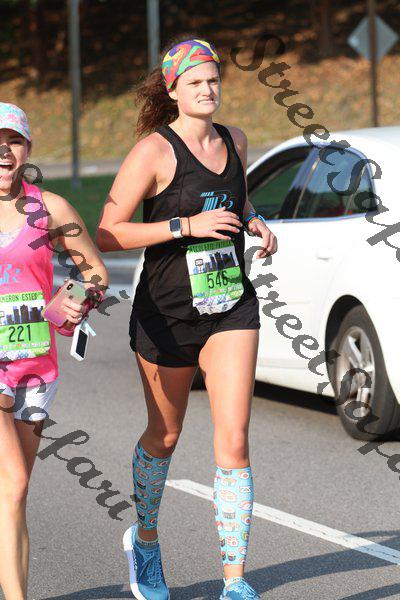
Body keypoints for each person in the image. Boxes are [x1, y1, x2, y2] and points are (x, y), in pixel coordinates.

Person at [96, 36, 277, 600]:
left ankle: (235, 582)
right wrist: (184, 227)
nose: (207, 89)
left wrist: (255, 220)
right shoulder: (154, 152)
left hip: (230, 305)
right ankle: (145, 540)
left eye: (213, 80)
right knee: (165, 434)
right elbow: (108, 233)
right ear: (172, 90)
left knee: (235, 440)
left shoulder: (235, 139)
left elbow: (234, 198)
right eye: (195, 82)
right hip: (166, 312)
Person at [0, 102, 108, 600]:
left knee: (14, 495)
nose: (4, 152)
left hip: (35, 366)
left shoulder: (51, 209)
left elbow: (94, 272)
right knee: (14, 483)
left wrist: (77, 299)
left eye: (13, 141)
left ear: (28, 149)